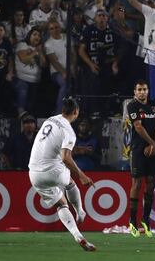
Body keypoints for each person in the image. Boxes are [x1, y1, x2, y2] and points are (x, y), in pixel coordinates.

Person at [28, 98, 96, 251]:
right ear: (76, 112)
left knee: (61, 204)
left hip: (34, 173)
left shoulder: (50, 120)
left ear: (62, 110)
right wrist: (82, 175)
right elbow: (65, 157)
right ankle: (80, 212)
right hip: (52, 169)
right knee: (70, 182)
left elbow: (53, 144)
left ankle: (77, 235)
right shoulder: (69, 131)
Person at [127, 80, 155, 237]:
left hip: (152, 150)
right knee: (137, 183)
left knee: (150, 184)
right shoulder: (132, 106)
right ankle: (132, 222)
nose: (142, 92)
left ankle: (145, 220)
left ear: (148, 91)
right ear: (135, 92)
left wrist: (153, 144)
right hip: (138, 150)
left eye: (144, 89)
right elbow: (138, 127)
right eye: (139, 89)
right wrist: (151, 143)